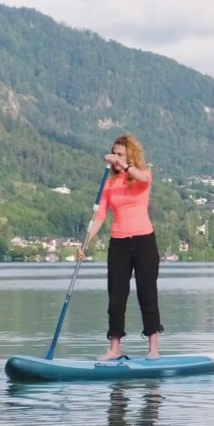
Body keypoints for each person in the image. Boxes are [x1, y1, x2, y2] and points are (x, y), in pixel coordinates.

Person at [78, 134, 164, 360]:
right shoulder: (109, 183)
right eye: (113, 153)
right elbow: (99, 217)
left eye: (120, 154)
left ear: (130, 156)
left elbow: (142, 178)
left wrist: (124, 165)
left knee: (147, 294)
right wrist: (84, 243)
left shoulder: (143, 175)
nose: (115, 158)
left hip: (144, 241)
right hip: (118, 243)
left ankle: (153, 348)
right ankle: (115, 348)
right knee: (116, 296)